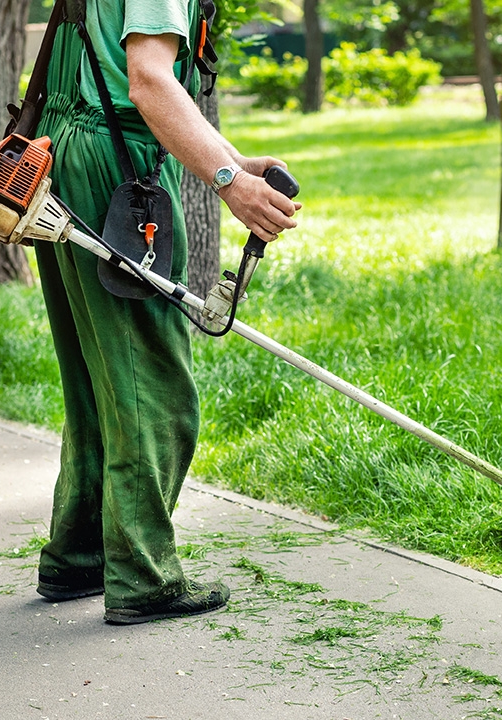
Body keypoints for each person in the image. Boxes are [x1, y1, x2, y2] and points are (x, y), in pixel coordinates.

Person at [31, 0, 301, 625]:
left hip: (64, 158)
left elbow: (108, 72)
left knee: (98, 377)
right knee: (152, 385)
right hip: (117, 171)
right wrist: (230, 182)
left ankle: (79, 556)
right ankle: (142, 576)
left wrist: (231, 154)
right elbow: (148, 81)